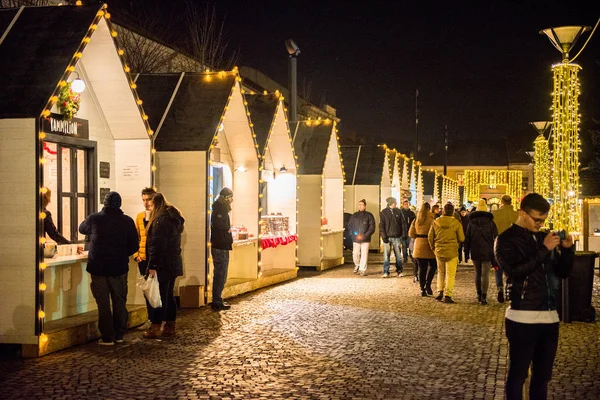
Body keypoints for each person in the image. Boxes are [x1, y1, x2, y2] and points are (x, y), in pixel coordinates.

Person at [494, 193, 574, 400]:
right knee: (518, 376)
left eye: (543, 220)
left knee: (542, 378)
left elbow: (563, 273)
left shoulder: (543, 237)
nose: (540, 224)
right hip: (522, 317)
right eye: (536, 219)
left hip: (549, 317)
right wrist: (544, 249)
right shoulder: (505, 240)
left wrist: (567, 251)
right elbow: (514, 272)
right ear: (522, 212)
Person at [78, 192, 138, 345]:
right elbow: (134, 246)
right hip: (119, 268)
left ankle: (106, 337)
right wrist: (121, 254)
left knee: (103, 303)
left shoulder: (95, 218)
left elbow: (82, 229)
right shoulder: (127, 221)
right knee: (119, 301)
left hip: (98, 268)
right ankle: (119, 335)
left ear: (104, 203)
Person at [143, 193, 185, 339]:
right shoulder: (173, 218)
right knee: (168, 295)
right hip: (172, 262)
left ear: (156, 204)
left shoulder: (161, 220)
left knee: (158, 296)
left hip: (162, 264)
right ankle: (169, 326)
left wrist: (153, 265)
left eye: (150, 203)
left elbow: (157, 244)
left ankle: (155, 327)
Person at [428, 202, 465, 303]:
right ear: (453, 212)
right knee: (450, 274)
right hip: (452, 251)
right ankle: (447, 295)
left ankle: (440, 291)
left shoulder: (436, 222)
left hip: (439, 251)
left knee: (440, 272)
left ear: (443, 211)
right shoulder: (456, 223)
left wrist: (433, 248)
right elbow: (462, 238)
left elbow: (430, 237)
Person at [464, 199, 498, 305]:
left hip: (475, 250)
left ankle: (478, 294)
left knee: (477, 273)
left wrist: (466, 253)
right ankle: (484, 296)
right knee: (485, 274)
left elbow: (467, 239)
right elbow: (496, 238)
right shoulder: (491, 223)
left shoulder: (471, 223)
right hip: (487, 251)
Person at [134, 187, 156, 330]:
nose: (146, 203)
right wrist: (136, 255)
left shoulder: (159, 216)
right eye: (143, 200)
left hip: (154, 258)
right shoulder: (139, 217)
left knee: (157, 290)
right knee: (147, 290)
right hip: (143, 258)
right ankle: (151, 318)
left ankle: (157, 320)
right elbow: (136, 238)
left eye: (148, 199)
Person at [492, 194, 519, 304]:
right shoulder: (516, 214)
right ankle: (510, 290)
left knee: (498, 268)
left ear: (502, 202)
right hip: (513, 245)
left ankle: (500, 288)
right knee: (511, 269)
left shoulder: (496, 214)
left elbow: (493, 229)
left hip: (499, 243)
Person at [210, 187, 234, 310]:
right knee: (221, 273)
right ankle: (217, 300)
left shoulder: (218, 208)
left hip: (220, 244)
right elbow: (218, 224)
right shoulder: (220, 209)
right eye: (230, 198)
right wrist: (228, 229)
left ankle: (217, 299)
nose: (231, 200)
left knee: (220, 273)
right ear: (225, 198)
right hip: (220, 245)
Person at [409, 203, 437, 296]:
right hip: (429, 245)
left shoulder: (416, 219)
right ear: (429, 209)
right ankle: (428, 284)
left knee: (422, 268)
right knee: (433, 265)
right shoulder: (432, 219)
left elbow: (411, 234)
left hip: (419, 245)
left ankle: (422, 289)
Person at [348, 199, 376, 276]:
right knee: (355, 253)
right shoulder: (354, 215)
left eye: (362, 205)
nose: (360, 206)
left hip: (365, 239)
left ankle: (362, 269)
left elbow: (372, 227)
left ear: (365, 206)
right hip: (356, 238)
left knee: (364, 254)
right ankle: (357, 264)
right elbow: (350, 226)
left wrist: (366, 235)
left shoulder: (369, 215)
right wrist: (352, 234)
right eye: (359, 204)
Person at [380, 196, 405, 278]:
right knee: (386, 256)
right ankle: (386, 271)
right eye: (395, 202)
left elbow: (403, 223)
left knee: (398, 256)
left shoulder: (398, 211)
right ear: (391, 203)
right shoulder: (384, 212)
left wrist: (403, 234)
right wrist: (384, 236)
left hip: (397, 236)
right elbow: (382, 225)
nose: (396, 204)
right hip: (388, 236)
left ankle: (399, 270)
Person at [400, 199, 416, 265]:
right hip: (402, 232)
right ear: (403, 205)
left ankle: (411, 256)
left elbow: (414, 222)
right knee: (404, 246)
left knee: (411, 245)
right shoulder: (400, 213)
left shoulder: (411, 213)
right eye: (405, 204)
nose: (406, 206)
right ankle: (405, 257)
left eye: (407, 204)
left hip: (410, 232)